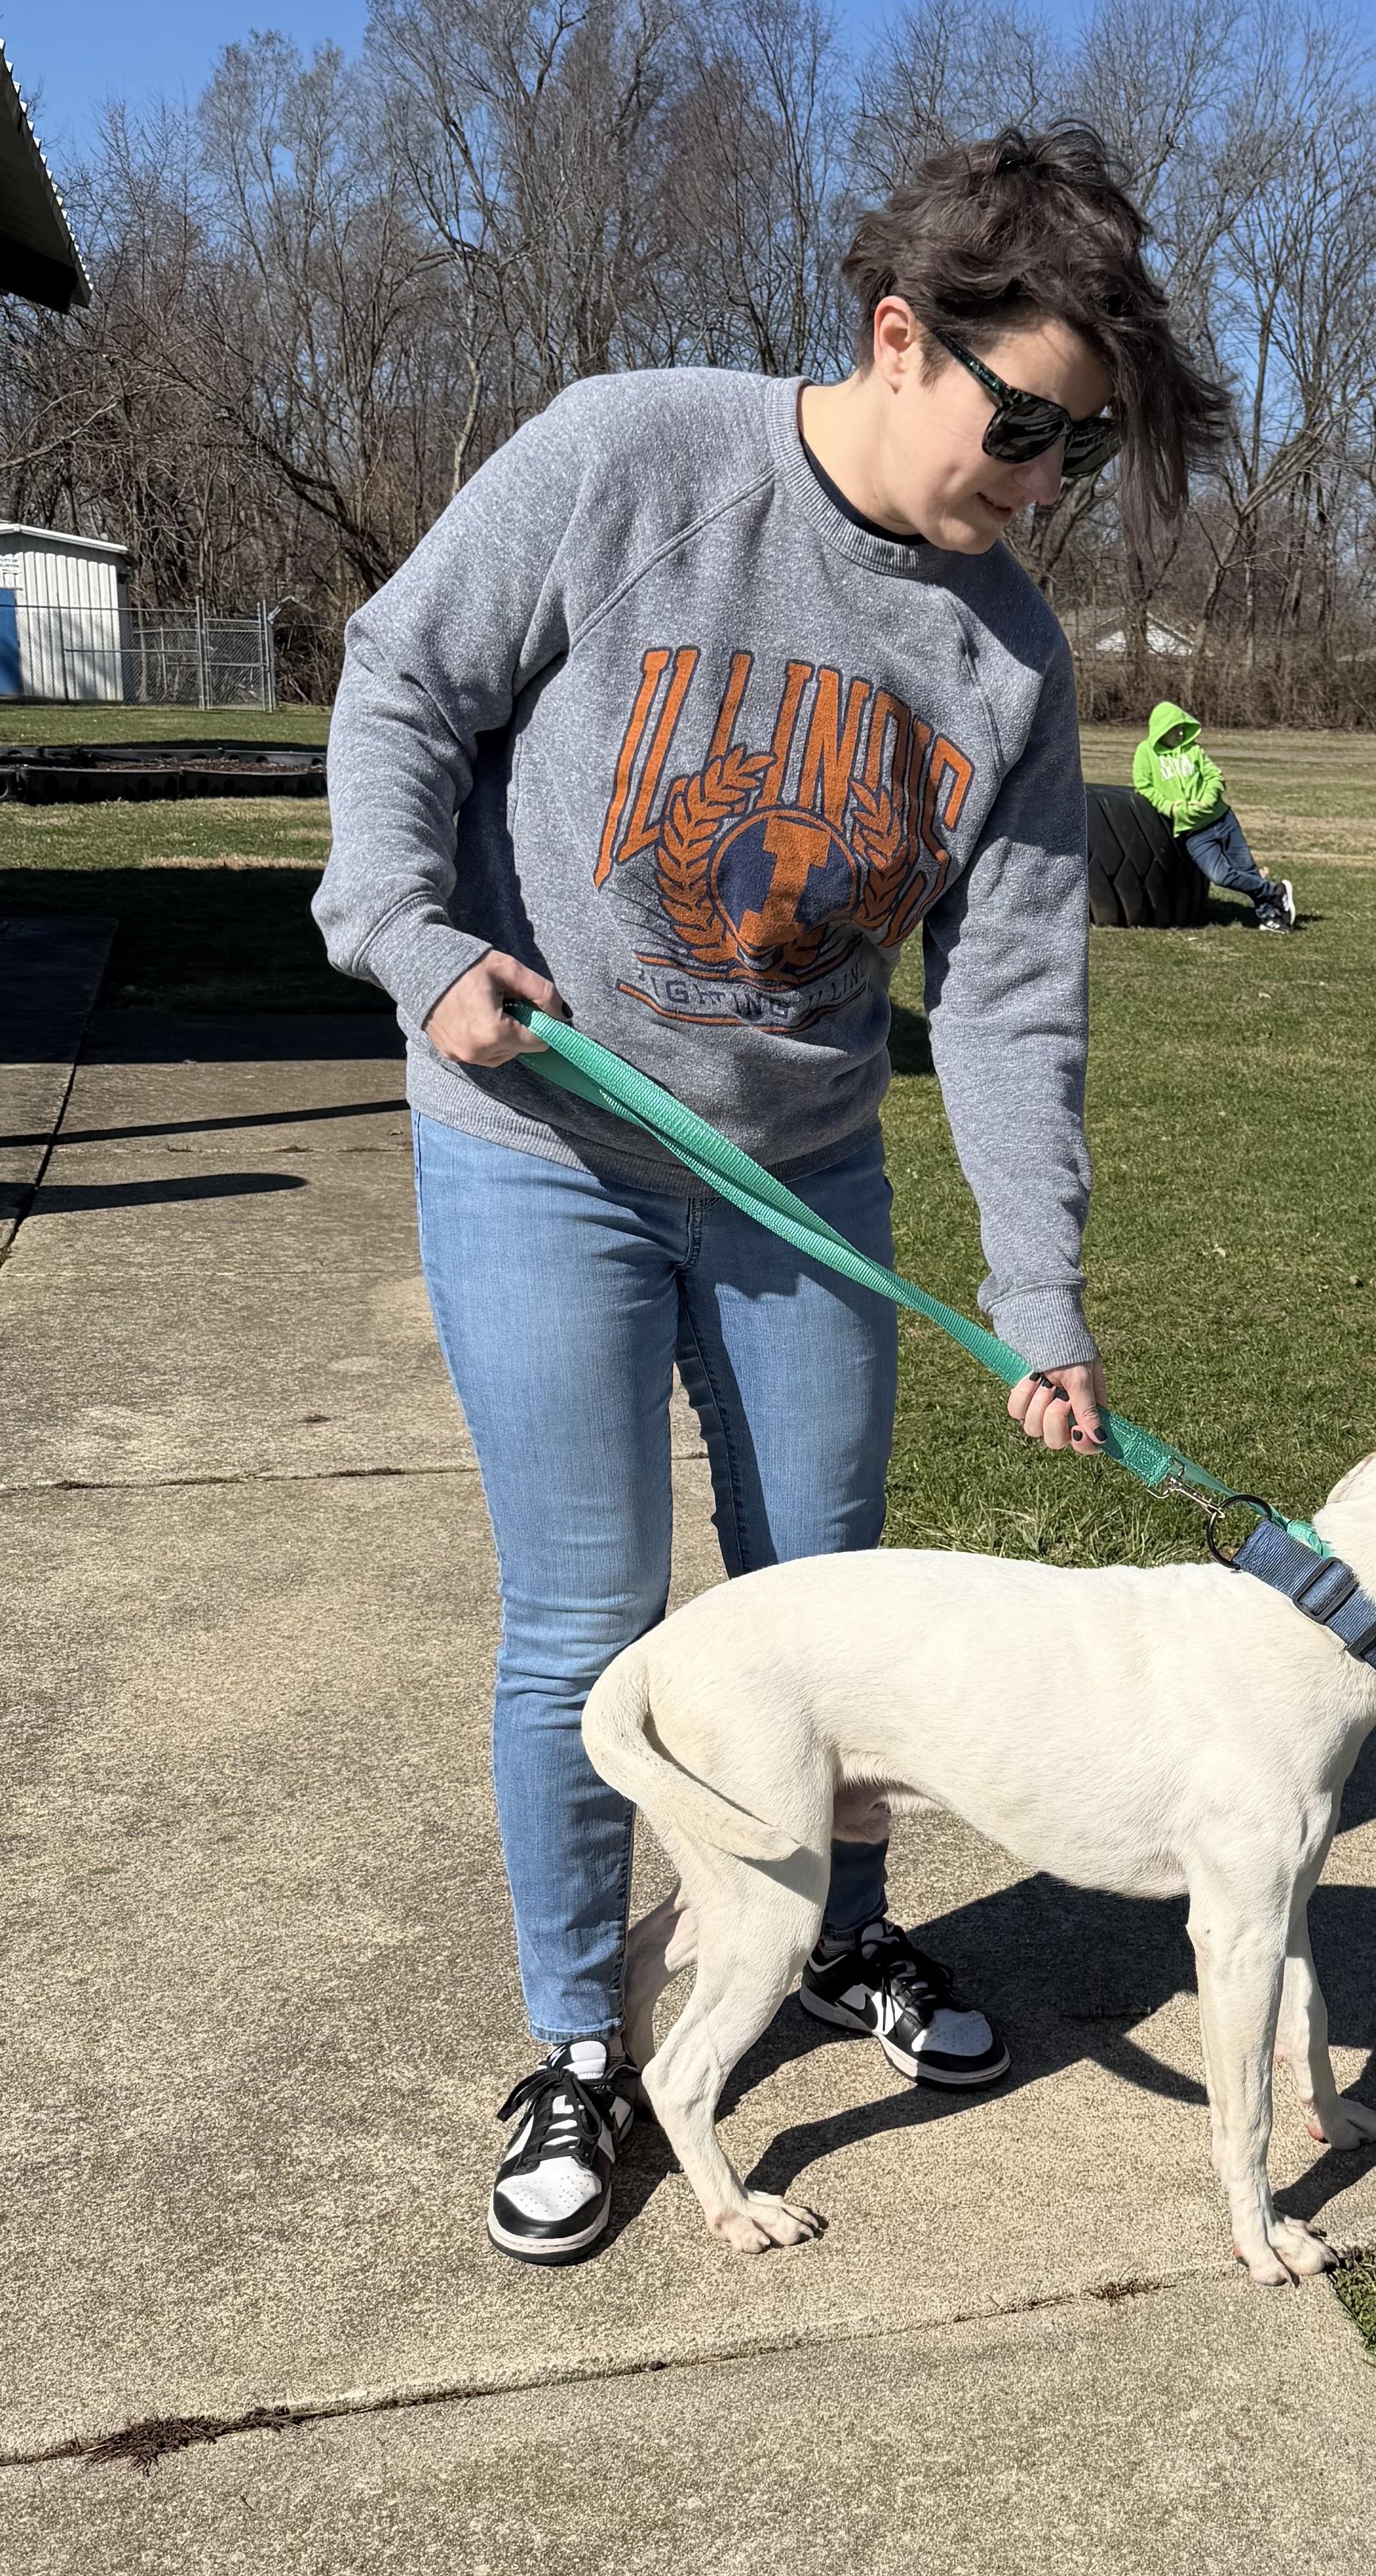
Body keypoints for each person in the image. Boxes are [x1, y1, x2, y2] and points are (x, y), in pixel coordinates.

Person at [313, 128, 1228, 2263]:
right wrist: (414, 940)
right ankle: (576, 2032)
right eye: (1026, 430)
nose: (1043, 486)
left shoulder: (1007, 657)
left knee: (839, 1600)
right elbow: (402, 683)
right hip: (543, 1148)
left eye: (1081, 452)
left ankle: (825, 1932)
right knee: (589, 1620)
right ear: (898, 339)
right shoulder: (628, 459)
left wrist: (1042, 1291)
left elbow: (1007, 998)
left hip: (801, 1183)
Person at [1132, 701, 1297, 928]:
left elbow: (1215, 776)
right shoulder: (1145, 752)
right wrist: (1170, 808)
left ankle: (1270, 917)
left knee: (1247, 869)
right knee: (1220, 876)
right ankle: (1274, 891)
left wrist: (1208, 799)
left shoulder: (1193, 750)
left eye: (1182, 728)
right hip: (1193, 833)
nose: (1180, 733)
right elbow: (1144, 786)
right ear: (1162, 729)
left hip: (1223, 819)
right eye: (1175, 729)